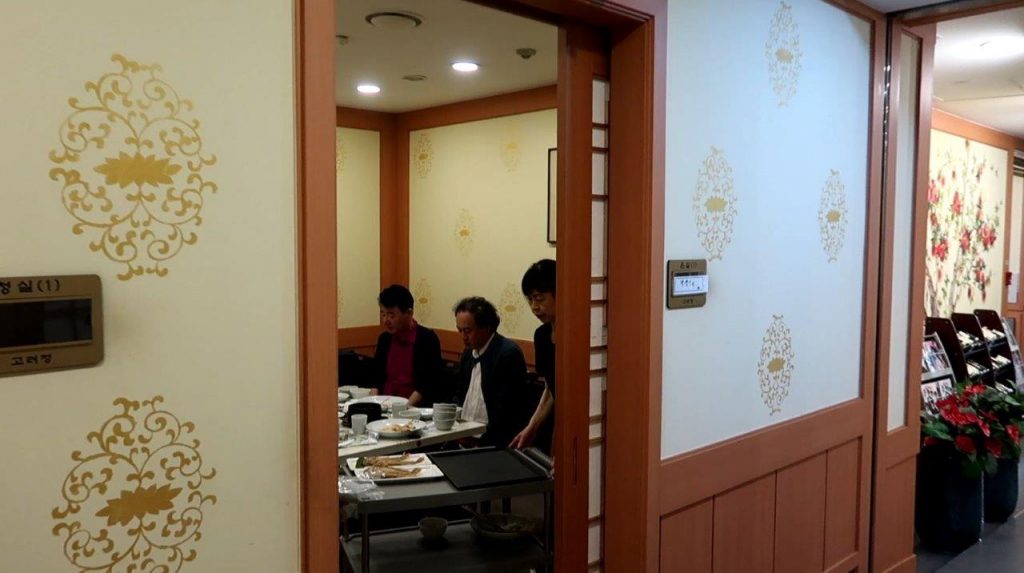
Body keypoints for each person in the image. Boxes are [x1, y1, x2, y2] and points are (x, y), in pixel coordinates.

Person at [453, 296, 533, 448]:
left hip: (494, 442)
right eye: (459, 330)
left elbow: (505, 412)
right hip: (463, 434)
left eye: (468, 331)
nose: (463, 337)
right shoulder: (468, 353)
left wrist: (478, 441)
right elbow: (459, 394)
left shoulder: (507, 354)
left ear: (487, 327)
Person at [371, 284, 444, 407]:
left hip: (415, 407)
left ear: (409, 313)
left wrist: (404, 408)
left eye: (391, 315)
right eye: (383, 314)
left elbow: (427, 384)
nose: (385, 320)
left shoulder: (427, 339)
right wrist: (373, 403)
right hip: (385, 405)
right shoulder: (384, 339)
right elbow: (376, 377)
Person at [510, 259, 556, 451]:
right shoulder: (542, 335)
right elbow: (551, 388)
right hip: (554, 419)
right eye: (530, 299)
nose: (534, 307)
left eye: (539, 299)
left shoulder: (576, 335)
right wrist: (532, 426)